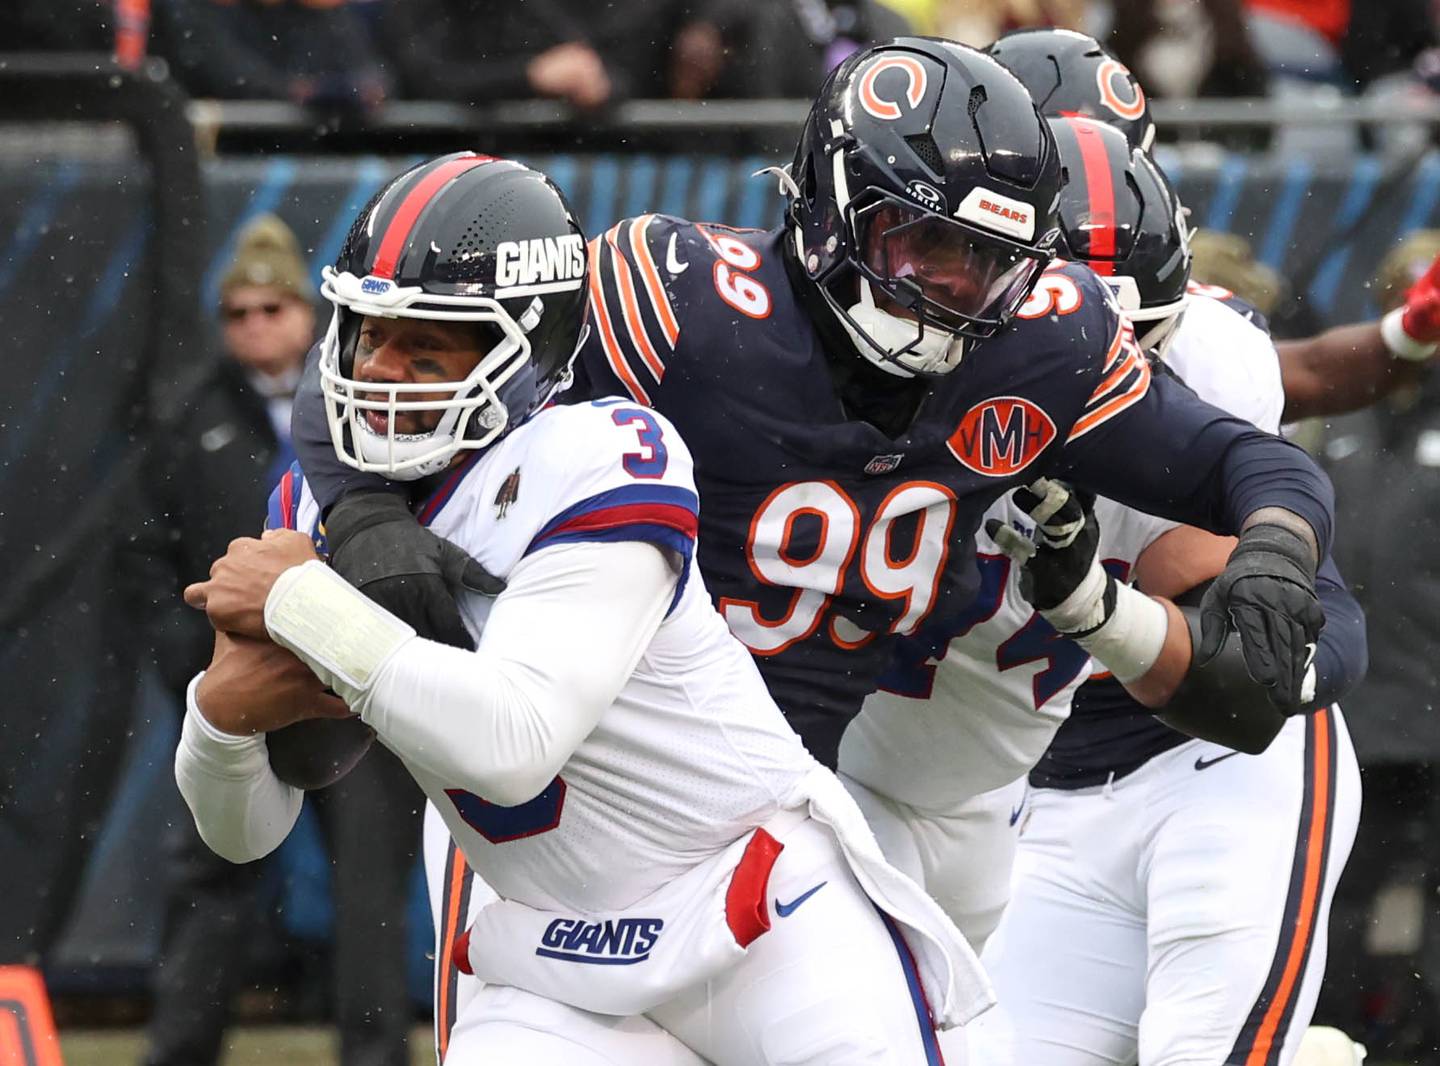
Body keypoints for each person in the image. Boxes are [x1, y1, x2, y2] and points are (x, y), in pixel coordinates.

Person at [282, 41, 1341, 1047]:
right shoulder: (684, 301)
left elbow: (1252, 465)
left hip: (778, 806)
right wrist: (360, 508)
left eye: (986, 261)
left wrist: (1279, 550)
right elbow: (394, 353)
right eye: (922, 242)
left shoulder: (1041, 342)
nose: (951, 287)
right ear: (834, 206)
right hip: (565, 780)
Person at [177, 152, 989, 1065]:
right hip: (555, 962)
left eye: (427, 346)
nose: (381, 371)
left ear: (524, 352)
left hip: (758, 914)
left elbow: (512, 743)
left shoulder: (600, 453)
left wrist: (300, 600)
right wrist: (218, 723)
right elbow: (241, 832)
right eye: (368, 333)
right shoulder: (311, 509)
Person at [126, 216, 421, 1066]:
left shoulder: (368, 402)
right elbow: (142, 556)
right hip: (244, 694)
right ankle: (179, 1051)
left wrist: (377, 660)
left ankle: (374, 1055)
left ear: (307, 313)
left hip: (350, 693)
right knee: (213, 884)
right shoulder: (191, 415)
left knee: (369, 897)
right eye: (238, 312)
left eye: (271, 307)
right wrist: (206, 678)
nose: (255, 326)